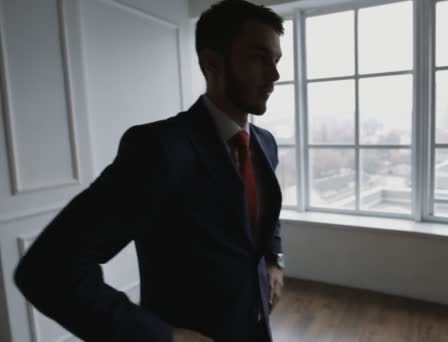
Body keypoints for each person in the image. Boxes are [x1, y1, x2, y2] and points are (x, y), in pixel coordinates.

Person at [13, 0, 285, 341]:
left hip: (256, 325)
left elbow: (265, 213)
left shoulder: (267, 144)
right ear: (211, 63)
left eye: (276, 61)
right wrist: (161, 337)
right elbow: (48, 269)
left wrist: (275, 259)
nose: (274, 75)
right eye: (259, 58)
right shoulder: (159, 149)